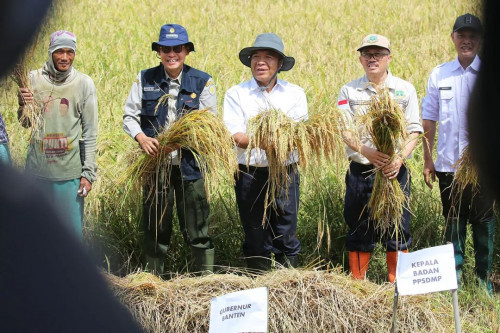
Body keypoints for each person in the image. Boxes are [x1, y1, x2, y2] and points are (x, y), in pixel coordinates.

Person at [123, 23, 216, 275]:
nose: (171, 54)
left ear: (186, 51)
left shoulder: (203, 81)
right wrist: (142, 138)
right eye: (166, 49)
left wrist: (178, 143)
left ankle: (205, 281)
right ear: (159, 51)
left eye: (177, 48)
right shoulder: (144, 78)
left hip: (191, 167)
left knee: (197, 227)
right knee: (155, 227)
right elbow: (129, 117)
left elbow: (209, 125)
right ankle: (153, 282)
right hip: (155, 167)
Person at [337, 34, 422, 282]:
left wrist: (398, 159)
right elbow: (345, 130)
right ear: (361, 59)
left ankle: (398, 285)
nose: (372, 58)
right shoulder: (349, 90)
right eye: (367, 54)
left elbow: (415, 129)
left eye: (378, 54)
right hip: (361, 171)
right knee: (359, 226)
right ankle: (358, 284)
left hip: (394, 172)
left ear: (389, 58)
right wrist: (368, 153)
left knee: (397, 227)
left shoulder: (405, 89)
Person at [422, 14, 495, 294]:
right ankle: (454, 283)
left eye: (473, 36)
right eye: (461, 35)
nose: (467, 40)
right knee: (454, 222)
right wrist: (428, 160)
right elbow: (429, 119)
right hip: (448, 166)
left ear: (480, 40)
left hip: (483, 168)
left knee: (484, 221)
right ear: (453, 38)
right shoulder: (439, 74)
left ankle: (483, 283)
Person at [223, 33, 308, 271]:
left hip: (285, 172)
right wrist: (269, 141)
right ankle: (257, 289)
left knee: (286, 233)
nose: (260, 62)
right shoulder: (236, 94)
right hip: (249, 174)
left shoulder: (295, 94)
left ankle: (287, 287)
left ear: (279, 64)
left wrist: (276, 143)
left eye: (268, 57)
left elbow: (298, 135)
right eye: (256, 57)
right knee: (255, 236)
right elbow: (235, 135)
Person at [17, 30, 98, 240]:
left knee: (70, 238)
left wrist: (88, 174)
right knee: (36, 234)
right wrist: (23, 104)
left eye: (69, 52)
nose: (64, 57)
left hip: (69, 176)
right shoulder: (33, 79)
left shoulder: (83, 83)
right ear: (50, 52)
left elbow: (90, 132)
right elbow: (26, 123)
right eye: (59, 52)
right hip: (37, 172)